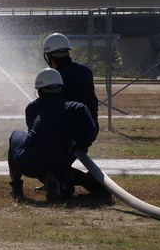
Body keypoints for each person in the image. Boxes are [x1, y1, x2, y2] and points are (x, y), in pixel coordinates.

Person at [8, 68, 97, 202]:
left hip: (29, 163)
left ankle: (16, 186)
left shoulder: (32, 108)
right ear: (62, 88)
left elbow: (38, 134)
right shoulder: (79, 108)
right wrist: (76, 145)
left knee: (16, 134)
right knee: (63, 174)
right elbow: (90, 134)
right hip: (59, 163)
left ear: (39, 91)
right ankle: (62, 186)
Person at [39, 33, 110, 199]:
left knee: (42, 161)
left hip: (69, 131)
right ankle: (58, 180)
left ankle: (92, 184)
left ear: (49, 56)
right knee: (58, 162)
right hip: (90, 127)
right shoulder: (84, 70)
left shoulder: (56, 75)